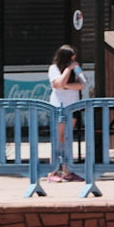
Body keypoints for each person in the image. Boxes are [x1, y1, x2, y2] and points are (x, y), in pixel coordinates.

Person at [46, 44, 88, 182]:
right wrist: (68, 70)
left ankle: (67, 170)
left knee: (68, 138)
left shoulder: (77, 69)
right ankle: (52, 171)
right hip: (59, 107)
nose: (74, 59)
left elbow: (82, 84)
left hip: (73, 107)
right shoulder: (54, 68)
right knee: (58, 139)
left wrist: (66, 85)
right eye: (71, 57)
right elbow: (58, 83)